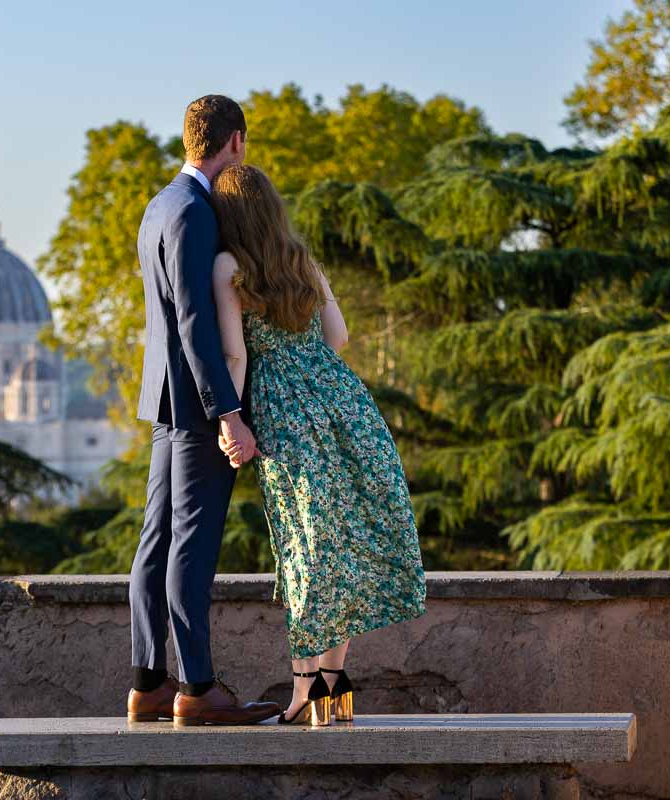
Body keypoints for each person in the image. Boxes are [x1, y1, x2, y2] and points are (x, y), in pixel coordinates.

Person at [211, 164, 427, 727]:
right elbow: (339, 336)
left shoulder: (228, 267)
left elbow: (235, 357)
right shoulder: (302, 259)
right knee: (343, 544)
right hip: (343, 402)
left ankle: (307, 688)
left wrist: (231, 421)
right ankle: (332, 684)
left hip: (286, 416)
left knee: (305, 545)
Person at [125, 95, 280, 726]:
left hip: (165, 401)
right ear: (235, 142)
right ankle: (195, 688)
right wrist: (229, 413)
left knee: (157, 541)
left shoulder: (159, 204)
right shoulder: (194, 211)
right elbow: (194, 324)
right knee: (189, 544)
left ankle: (148, 684)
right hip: (195, 407)